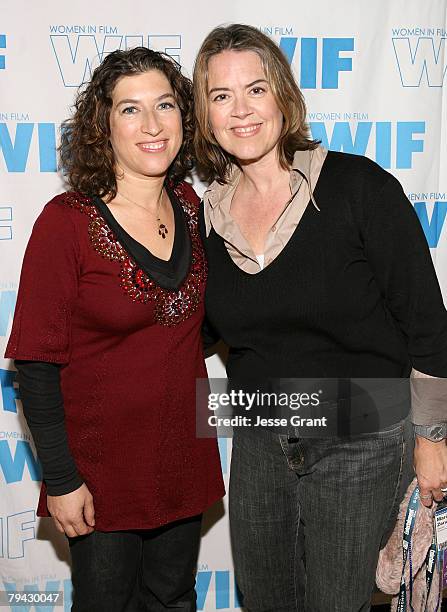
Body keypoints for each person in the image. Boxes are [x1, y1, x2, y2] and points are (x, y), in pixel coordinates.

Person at [193, 24, 447, 611]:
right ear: (204, 115)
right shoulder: (205, 219)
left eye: (255, 89)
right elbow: (198, 332)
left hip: (363, 437)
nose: (241, 111)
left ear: (283, 95)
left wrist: (432, 439)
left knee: (340, 603)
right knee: (264, 601)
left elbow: (428, 327)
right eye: (221, 96)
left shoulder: (358, 188)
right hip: (259, 437)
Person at [5, 47, 224, 612]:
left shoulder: (191, 206)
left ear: (184, 117)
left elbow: (197, 323)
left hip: (181, 458)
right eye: (130, 110)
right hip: (99, 476)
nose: (152, 125)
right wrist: (60, 479)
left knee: (173, 599)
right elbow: (34, 363)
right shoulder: (66, 222)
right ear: (103, 127)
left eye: (165, 105)